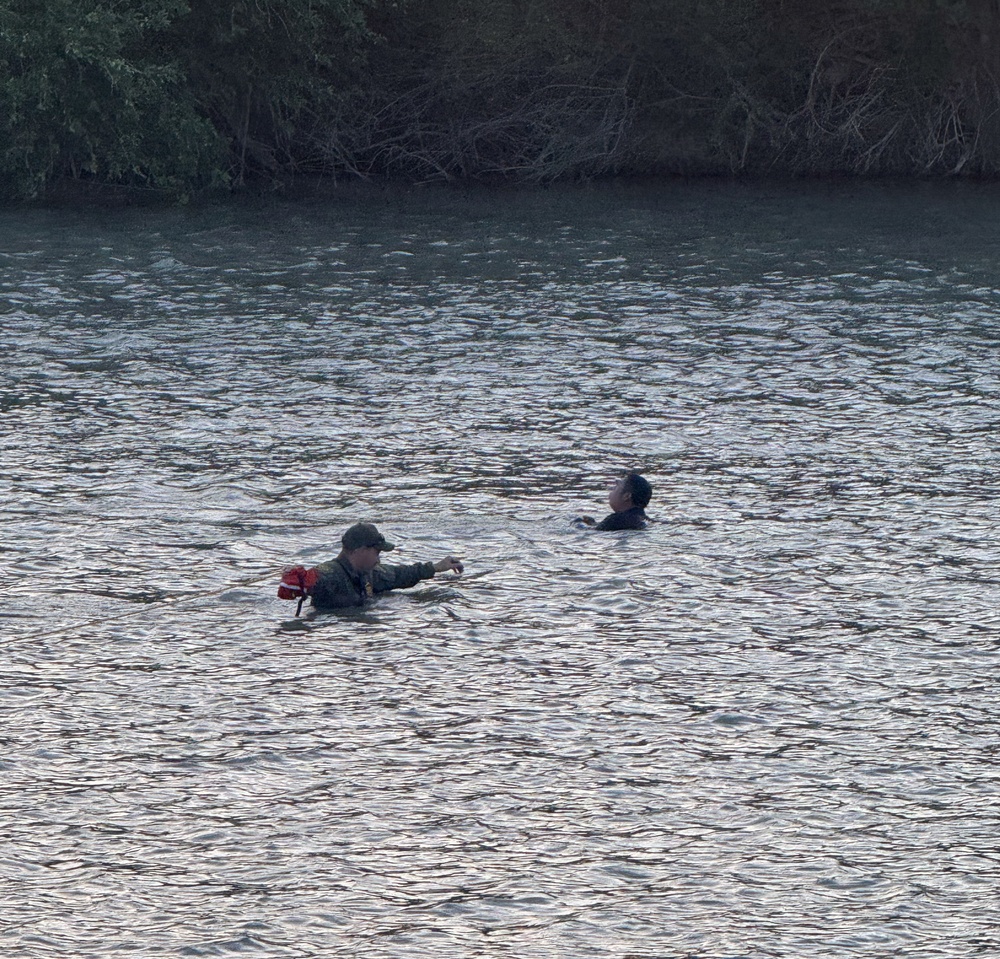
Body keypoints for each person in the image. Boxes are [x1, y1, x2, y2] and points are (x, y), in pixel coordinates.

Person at [310, 522, 464, 610]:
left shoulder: (370, 573)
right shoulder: (330, 573)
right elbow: (312, 579)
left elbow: (399, 575)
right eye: (377, 552)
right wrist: (301, 582)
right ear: (360, 550)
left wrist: (435, 568)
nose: (378, 559)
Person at [576, 471, 652, 531]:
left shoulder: (616, 519)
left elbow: (591, 532)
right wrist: (593, 523)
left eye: (616, 486)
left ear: (626, 496)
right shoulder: (644, 520)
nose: (611, 490)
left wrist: (578, 523)